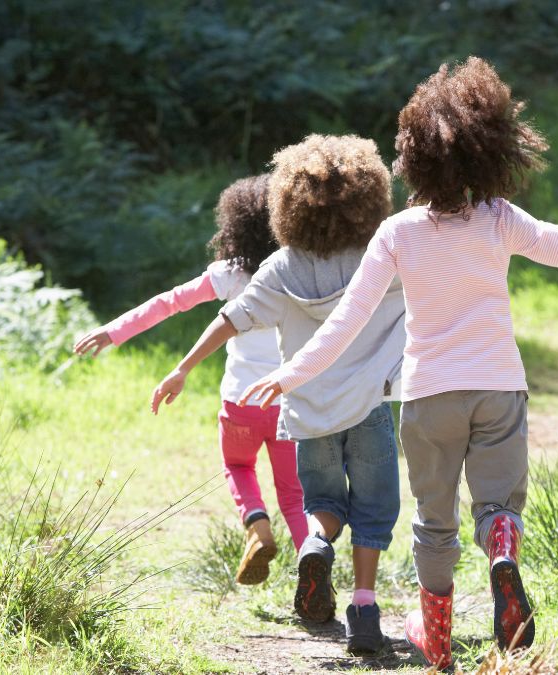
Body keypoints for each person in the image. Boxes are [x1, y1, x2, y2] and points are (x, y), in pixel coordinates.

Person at [233, 57, 558, 669]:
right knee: (498, 506)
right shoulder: (500, 221)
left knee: (433, 523)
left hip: (428, 398)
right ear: (493, 150)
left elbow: (344, 322)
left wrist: (291, 374)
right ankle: (501, 548)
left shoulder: (396, 233)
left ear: (412, 155)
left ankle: (436, 637)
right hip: (499, 388)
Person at [151, 135, 405, 656]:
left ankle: (314, 546)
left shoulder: (282, 267)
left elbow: (229, 319)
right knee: (374, 511)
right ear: (368, 196)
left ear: (287, 203)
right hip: (369, 408)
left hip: (308, 413)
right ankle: (363, 610)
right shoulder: (380, 257)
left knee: (324, 504)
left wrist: (181, 368)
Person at [73, 175, 308, 585]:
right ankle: (313, 567)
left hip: (241, 403)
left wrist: (114, 331)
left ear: (236, 225)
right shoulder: (300, 271)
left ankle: (257, 526)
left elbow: (170, 303)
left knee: (237, 464)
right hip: (289, 402)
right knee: (294, 494)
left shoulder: (231, 274)